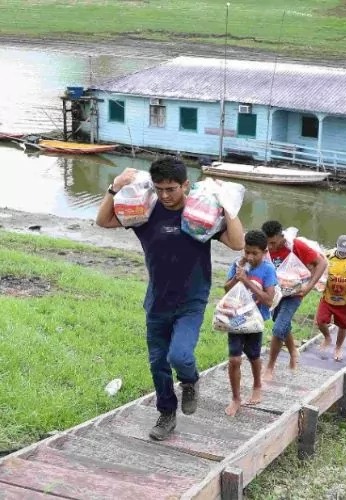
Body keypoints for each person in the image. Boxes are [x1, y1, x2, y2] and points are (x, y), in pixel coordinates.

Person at [95, 159, 244, 441]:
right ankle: (167, 413)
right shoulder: (144, 211)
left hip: (191, 301)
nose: (165, 195)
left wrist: (227, 205)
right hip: (157, 302)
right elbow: (103, 221)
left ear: (185, 185)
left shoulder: (201, 212)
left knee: (180, 355)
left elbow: (237, 243)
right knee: (157, 363)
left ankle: (190, 381)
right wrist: (114, 188)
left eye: (172, 189)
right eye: (159, 188)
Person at [261, 220, 327, 381]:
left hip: (295, 293)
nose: (270, 247)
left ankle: (270, 366)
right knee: (281, 323)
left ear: (281, 237)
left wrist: (309, 286)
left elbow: (322, 263)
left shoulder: (295, 246)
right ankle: (293, 352)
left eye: (273, 243)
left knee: (278, 329)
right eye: (267, 243)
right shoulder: (265, 248)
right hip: (277, 293)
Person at [222, 230, 278, 416]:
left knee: (254, 356)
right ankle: (236, 398)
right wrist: (237, 277)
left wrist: (247, 281)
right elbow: (226, 290)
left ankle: (257, 385)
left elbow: (268, 300)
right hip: (236, 319)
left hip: (255, 320)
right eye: (247, 252)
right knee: (234, 359)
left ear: (264, 252)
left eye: (255, 253)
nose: (249, 257)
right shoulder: (238, 265)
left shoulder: (268, 269)